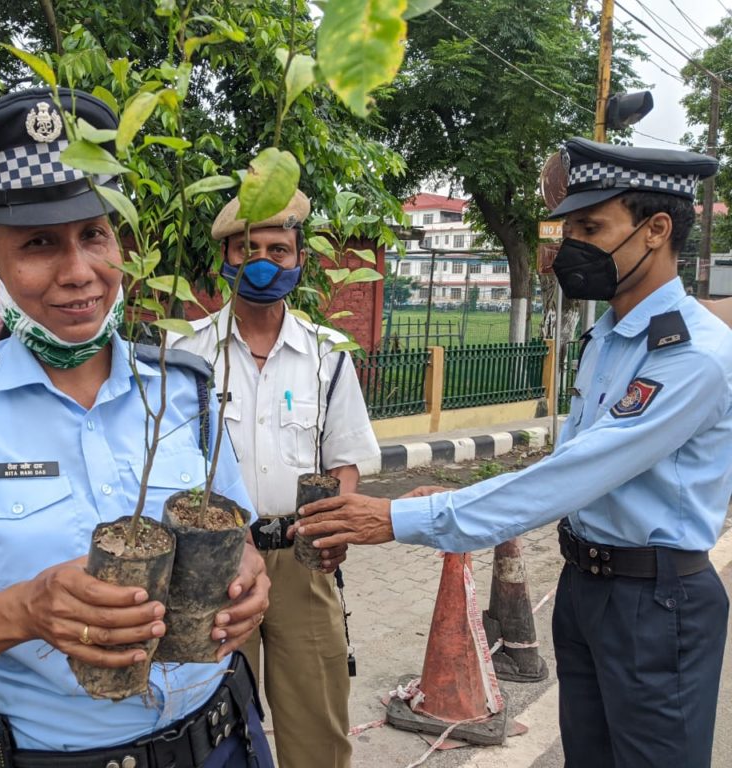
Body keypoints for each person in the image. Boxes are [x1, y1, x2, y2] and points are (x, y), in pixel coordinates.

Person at [0, 87, 275, 768]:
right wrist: (19, 611)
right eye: (39, 244)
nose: (79, 273)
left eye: (94, 236)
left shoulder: (183, 389)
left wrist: (249, 576)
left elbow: (241, 541)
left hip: (225, 741)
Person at [296, 138, 731, 768]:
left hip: (655, 606)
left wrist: (397, 519)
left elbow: (571, 477)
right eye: (570, 225)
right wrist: (446, 497)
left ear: (655, 230)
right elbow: (572, 467)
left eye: (591, 226)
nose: (571, 244)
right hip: (588, 588)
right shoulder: (608, 336)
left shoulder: (690, 357)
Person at [171, 190, 380, 768]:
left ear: (299, 261)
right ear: (225, 260)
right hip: (212, 565)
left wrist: (331, 533)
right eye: (248, 248)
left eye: (278, 250)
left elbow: (344, 464)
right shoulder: (186, 354)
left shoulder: (327, 354)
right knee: (214, 726)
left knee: (318, 725)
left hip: (300, 559)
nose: (262, 263)